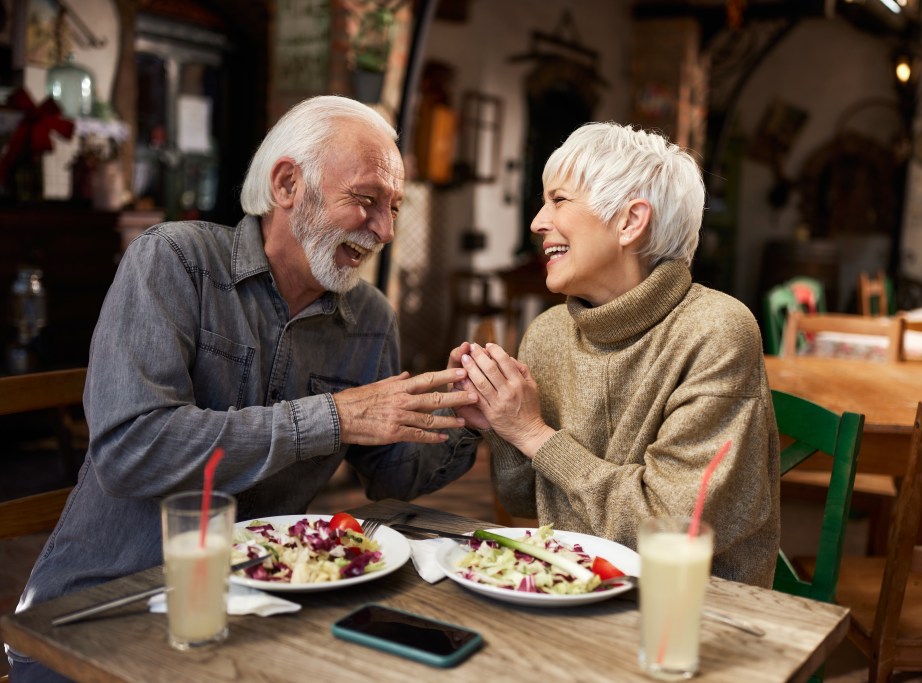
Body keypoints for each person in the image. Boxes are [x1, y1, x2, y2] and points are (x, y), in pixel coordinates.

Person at [9, 96, 482, 682]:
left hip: (264, 610)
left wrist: (466, 414)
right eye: (365, 200)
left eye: (392, 208)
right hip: (105, 607)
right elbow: (131, 450)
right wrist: (331, 418)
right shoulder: (173, 261)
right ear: (287, 184)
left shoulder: (370, 318)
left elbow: (391, 475)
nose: (384, 230)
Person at [449, 122, 780, 587]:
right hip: (566, 591)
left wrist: (533, 433)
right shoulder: (547, 334)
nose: (537, 222)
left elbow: (668, 528)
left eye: (558, 200)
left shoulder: (716, 332)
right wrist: (502, 426)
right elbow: (529, 503)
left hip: (689, 611)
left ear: (629, 221)